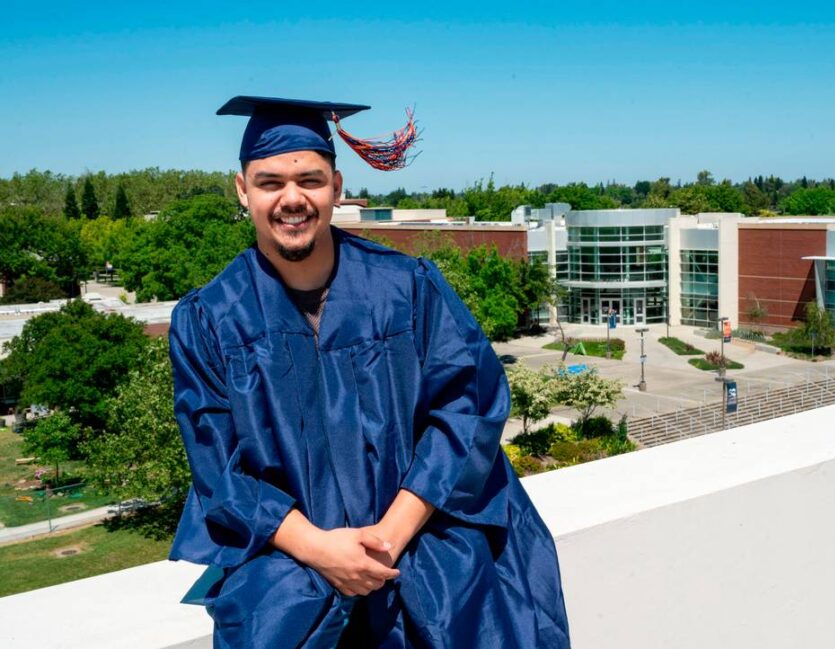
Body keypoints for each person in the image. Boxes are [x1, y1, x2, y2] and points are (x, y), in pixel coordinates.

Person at [167, 96, 571, 648]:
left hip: (422, 537)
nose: (291, 199)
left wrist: (387, 537)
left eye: (309, 180)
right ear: (242, 190)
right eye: (269, 183)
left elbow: (468, 408)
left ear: (335, 185)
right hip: (297, 562)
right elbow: (218, 467)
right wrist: (322, 551)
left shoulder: (409, 288)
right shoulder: (209, 319)